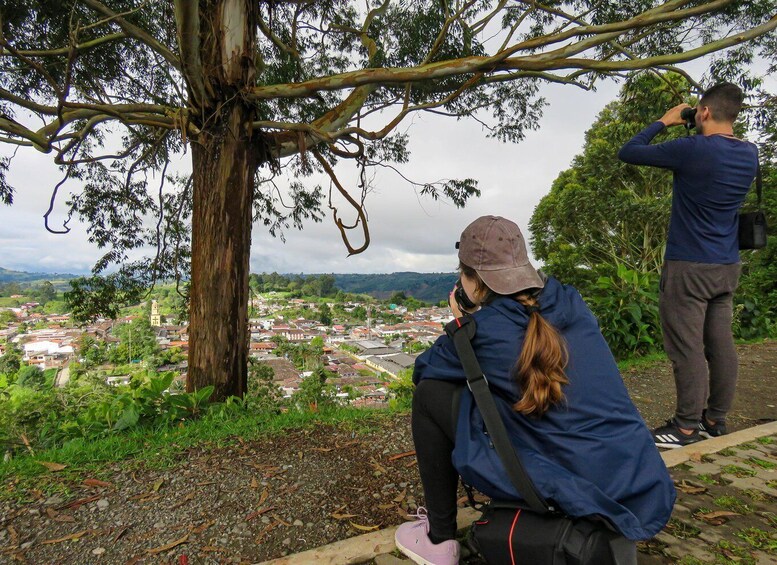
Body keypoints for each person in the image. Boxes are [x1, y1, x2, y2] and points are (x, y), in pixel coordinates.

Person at [394, 215, 675, 565]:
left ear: (472, 281)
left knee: (429, 396)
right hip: (635, 478)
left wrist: (463, 322)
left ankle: (439, 540)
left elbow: (424, 372)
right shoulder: (572, 303)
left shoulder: (481, 332)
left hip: (575, 484)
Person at [617, 83, 759, 449]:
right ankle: (715, 418)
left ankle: (684, 427)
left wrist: (663, 121)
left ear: (706, 112)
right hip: (726, 265)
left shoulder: (693, 149)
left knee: (686, 347)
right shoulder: (749, 153)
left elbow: (629, 152)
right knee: (720, 343)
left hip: (689, 267)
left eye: (698, 111)